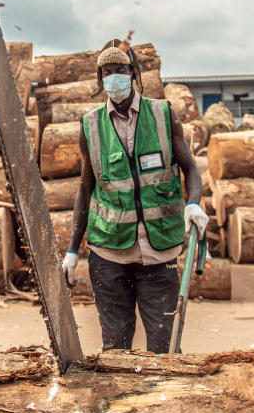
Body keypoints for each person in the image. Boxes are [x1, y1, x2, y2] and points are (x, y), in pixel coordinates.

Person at [59, 40, 208, 353]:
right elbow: (86, 190)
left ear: (134, 72)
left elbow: (191, 170)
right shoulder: (90, 125)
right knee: (115, 350)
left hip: (159, 253)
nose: (115, 77)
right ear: (100, 79)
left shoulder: (163, 115)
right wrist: (72, 250)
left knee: (165, 350)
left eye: (121, 70)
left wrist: (193, 204)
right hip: (109, 256)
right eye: (107, 72)